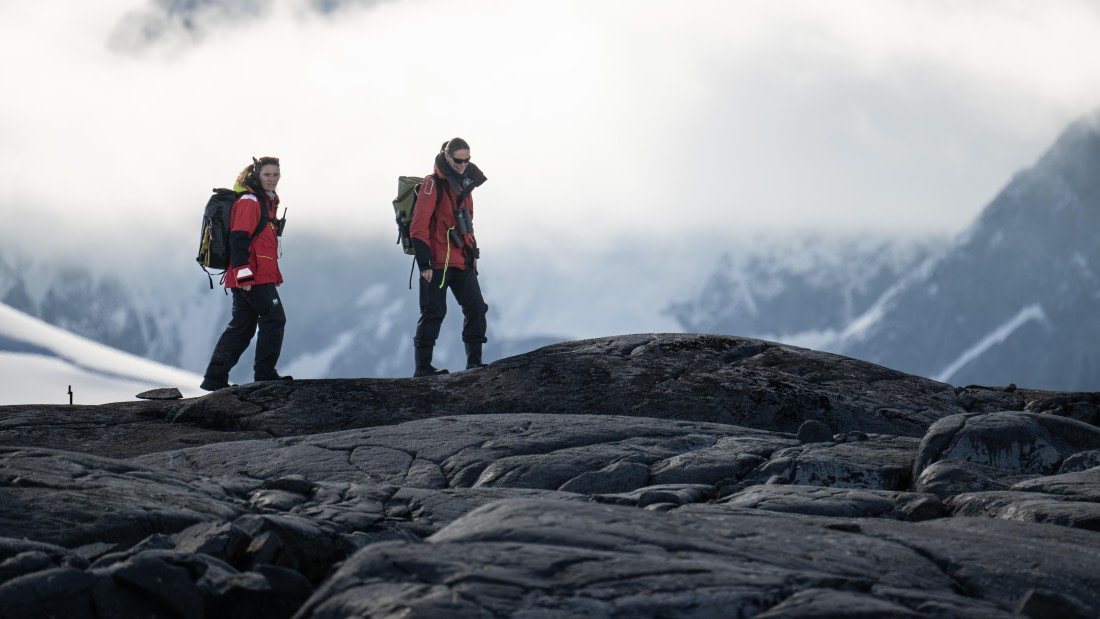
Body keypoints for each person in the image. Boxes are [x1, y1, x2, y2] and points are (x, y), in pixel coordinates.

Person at [200, 156, 292, 390]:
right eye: (267, 175)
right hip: (252, 276)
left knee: (242, 325)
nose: (272, 179)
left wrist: (273, 276)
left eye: (275, 175)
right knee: (274, 319)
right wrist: (244, 276)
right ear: (257, 176)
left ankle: (214, 377)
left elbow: (262, 244)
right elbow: (239, 238)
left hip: (255, 275)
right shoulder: (251, 202)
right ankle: (264, 374)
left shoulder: (265, 202)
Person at [409, 138, 489, 377]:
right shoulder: (432, 184)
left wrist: (472, 256)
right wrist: (425, 263)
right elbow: (418, 226)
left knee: (476, 307)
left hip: (461, 260)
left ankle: (474, 364)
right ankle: (422, 368)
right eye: (458, 160)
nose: (463, 165)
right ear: (447, 156)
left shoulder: (466, 184)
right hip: (436, 263)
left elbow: (468, 224)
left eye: (467, 160)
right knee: (433, 312)